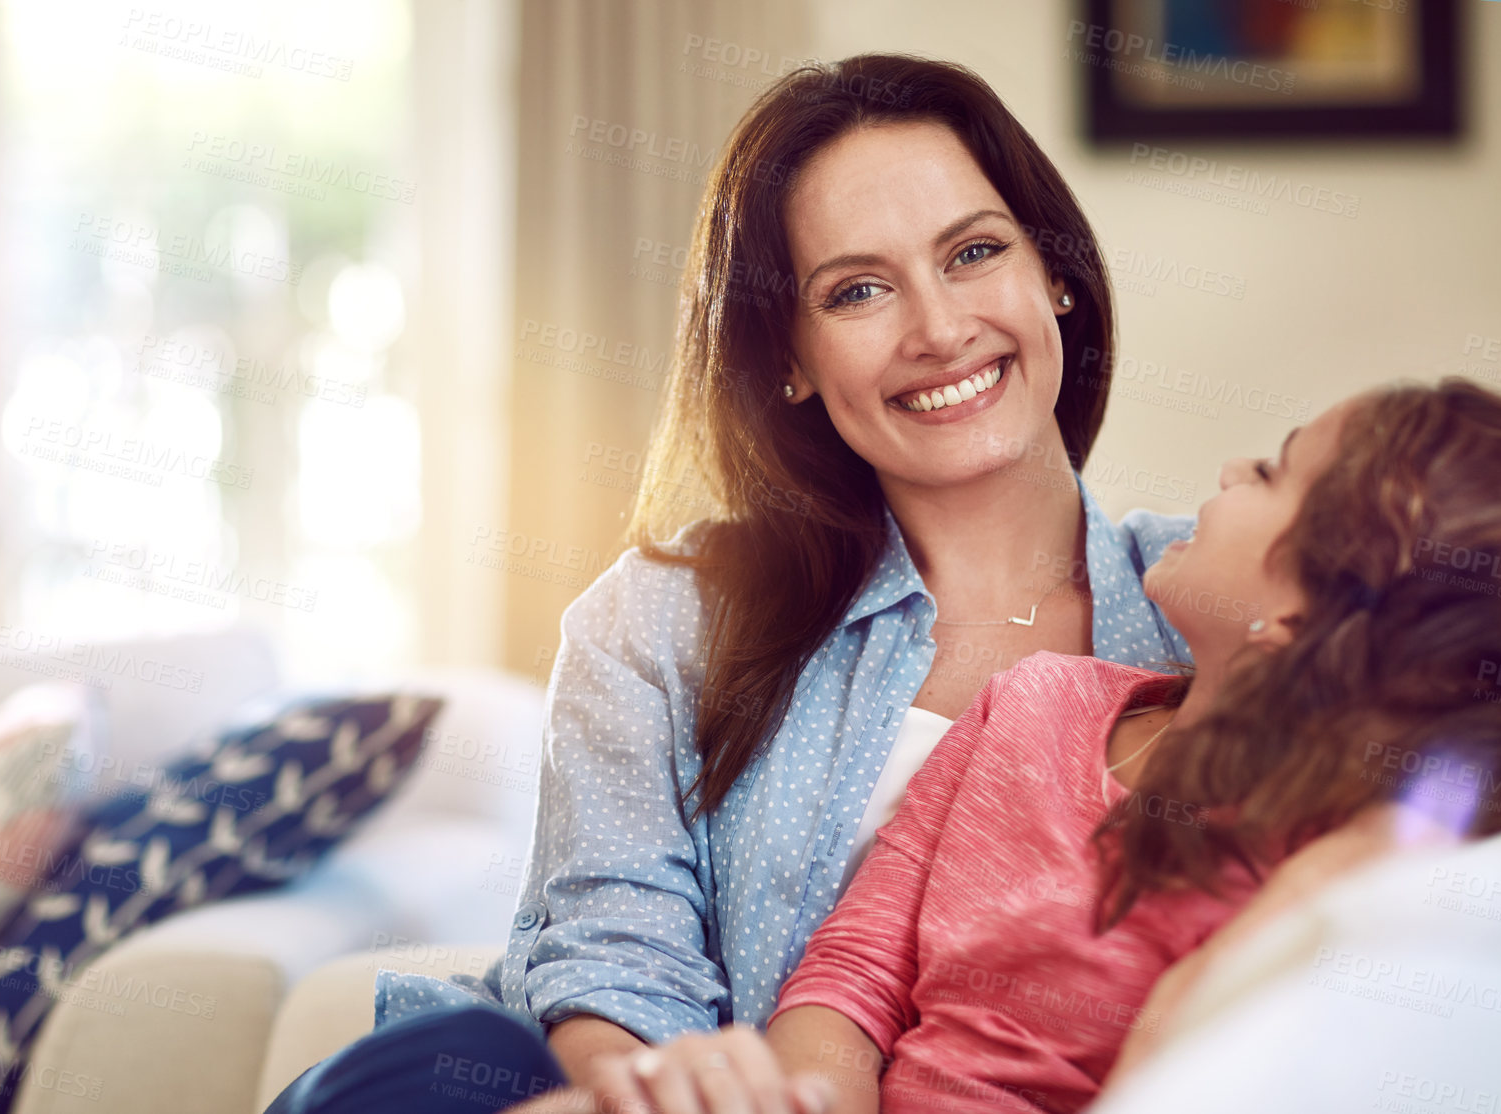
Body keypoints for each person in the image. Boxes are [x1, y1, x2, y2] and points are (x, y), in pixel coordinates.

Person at [264, 52, 1196, 1114]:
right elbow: (616, 952)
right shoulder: (661, 616)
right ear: (787, 356)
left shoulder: (1224, 614)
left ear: (1056, 276)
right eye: (856, 289)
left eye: (974, 253)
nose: (938, 329)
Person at [512, 376, 1501, 1114]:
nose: (1225, 470)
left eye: (1268, 472)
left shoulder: (1334, 852)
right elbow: (854, 975)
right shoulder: (1036, 704)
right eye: (857, 289)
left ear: (1298, 620)